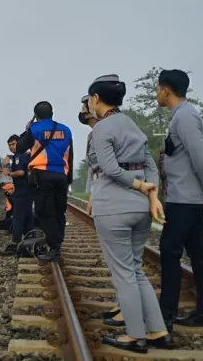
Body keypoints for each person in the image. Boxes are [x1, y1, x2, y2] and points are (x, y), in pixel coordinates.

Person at [87, 74, 172, 353]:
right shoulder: (133, 127)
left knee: (123, 274)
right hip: (140, 208)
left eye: (90, 98)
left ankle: (136, 336)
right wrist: (151, 196)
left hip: (113, 207)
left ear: (96, 99)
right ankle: (158, 330)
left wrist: (137, 185)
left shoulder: (101, 128)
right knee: (135, 270)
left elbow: (110, 169)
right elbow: (149, 165)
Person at [156, 69, 203, 329]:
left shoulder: (186, 117)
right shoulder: (181, 116)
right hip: (185, 197)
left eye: (158, 88)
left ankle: (165, 313)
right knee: (199, 252)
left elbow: (201, 159)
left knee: (169, 251)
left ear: (166, 89)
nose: (157, 93)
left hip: (185, 199)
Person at [79, 95, 124, 325]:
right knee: (114, 259)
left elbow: (115, 168)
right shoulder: (92, 134)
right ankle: (122, 305)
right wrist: (91, 195)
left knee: (122, 261)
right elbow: (92, 169)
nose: (83, 112)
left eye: (86, 107)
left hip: (115, 195)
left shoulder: (111, 130)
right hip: (103, 193)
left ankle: (128, 313)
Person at [17, 101, 73, 262]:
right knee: (59, 210)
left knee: (45, 212)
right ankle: (58, 243)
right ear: (52, 113)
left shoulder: (34, 129)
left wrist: (27, 129)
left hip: (42, 176)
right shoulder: (66, 130)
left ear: (36, 116)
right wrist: (68, 179)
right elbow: (71, 155)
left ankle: (54, 248)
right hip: (61, 176)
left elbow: (20, 148)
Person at [1, 135, 35, 255]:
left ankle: (16, 244)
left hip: (23, 191)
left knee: (18, 217)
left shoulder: (20, 156)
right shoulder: (23, 155)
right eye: (9, 145)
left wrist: (9, 173)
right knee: (28, 217)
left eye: (13, 144)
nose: (11, 147)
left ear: (19, 144)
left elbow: (20, 172)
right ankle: (29, 243)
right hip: (26, 191)